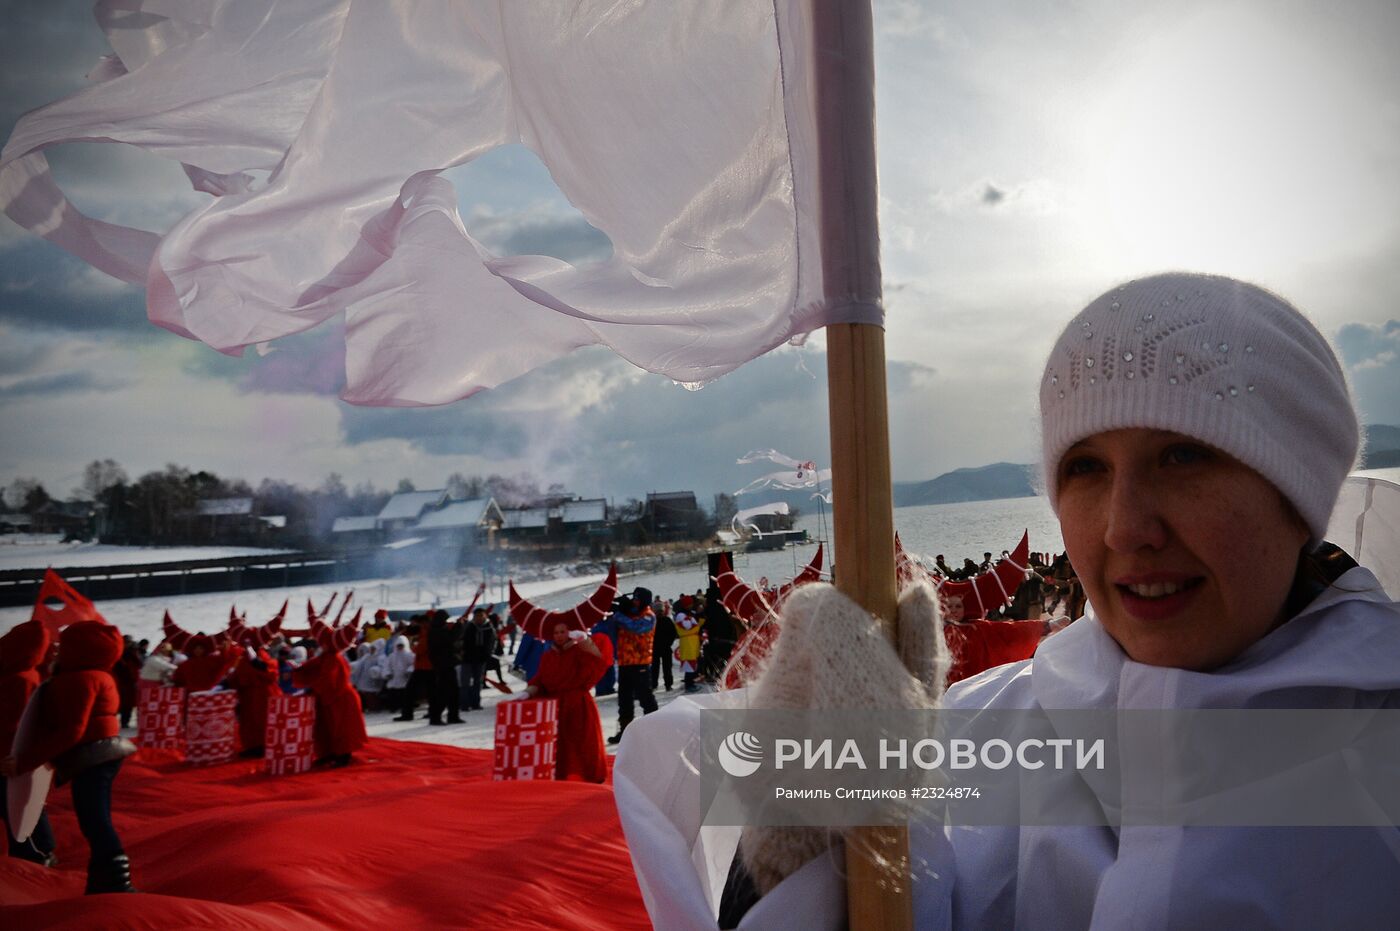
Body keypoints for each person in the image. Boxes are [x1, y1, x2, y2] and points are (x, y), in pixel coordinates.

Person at [617, 272, 1400, 929]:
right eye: (1086, 467)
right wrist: (797, 844)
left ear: (1299, 495)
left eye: (1183, 453)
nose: (1126, 527)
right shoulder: (978, 733)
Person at [2, 621, 138, 894]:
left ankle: (115, 882)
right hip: (96, 755)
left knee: (95, 818)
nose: (57, 649)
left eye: (65, 645)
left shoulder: (81, 679)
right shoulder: (91, 676)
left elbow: (71, 730)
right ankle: (106, 879)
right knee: (92, 817)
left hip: (92, 756)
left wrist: (26, 760)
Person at [517, 621, 612, 783]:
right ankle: (560, 775)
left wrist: (585, 642)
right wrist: (529, 691)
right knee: (559, 745)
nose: (559, 636)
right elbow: (541, 679)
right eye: (556, 633)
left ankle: (591, 776)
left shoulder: (580, 652)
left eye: (562, 632)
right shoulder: (548, 657)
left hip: (579, 705)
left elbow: (596, 665)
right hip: (555, 707)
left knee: (583, 743)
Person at [0, 620, 56, 866]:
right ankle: (40, 850)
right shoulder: (27, 674)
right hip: (17, 755)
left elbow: (12, 722)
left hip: (10, 755)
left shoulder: (19, 679)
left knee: (15, 805)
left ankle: (33, 854)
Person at [292, 639, 367, 767]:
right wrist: (297, 669)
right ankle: (329, 753)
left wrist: (312, 687)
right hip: (329, 697)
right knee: (327, 726)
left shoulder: (333, 658)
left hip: (341, 698)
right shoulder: (325, 656)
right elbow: (312, 667)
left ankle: (344, 755)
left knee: (342, 728)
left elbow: (328, 679)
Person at [610, 588, 659, 744]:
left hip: (640, 663)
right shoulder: (630, 613)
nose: (634, 602)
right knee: (624, 701)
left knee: (646, 698)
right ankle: (625, 731)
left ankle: (656, 729)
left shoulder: (649, 617)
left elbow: (635, 628)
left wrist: (619, 613)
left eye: (637, 599)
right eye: (634, 599)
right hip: (625, 663)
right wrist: (619, 607)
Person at [227, 644, 279, 757]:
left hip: (263, 695)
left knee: (262, 719)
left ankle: (263, 746)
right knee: (249, 721)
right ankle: (253, 747)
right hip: (248, 697)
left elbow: (272, 674)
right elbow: (235, 678)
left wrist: (258, 663)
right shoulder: (242, 660)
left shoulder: (263, 658)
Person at [460, 607, 496, 712]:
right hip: (467, 659)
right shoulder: (468, 627)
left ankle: (475, 703)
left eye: (481, 616)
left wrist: (487, 655)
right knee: (465, 682)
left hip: (480, 660)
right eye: (477, 616)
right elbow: (462, 640)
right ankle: (464, 704)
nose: (479, 618)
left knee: (478, 682)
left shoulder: (489, 628)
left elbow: (492, 643)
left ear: (485, 616)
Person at [672, 596, 704, 693]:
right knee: (689, 663)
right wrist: (694, 620)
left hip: (692, 641)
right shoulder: (680, 615)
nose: (691, 605)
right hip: (687, 641)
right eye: (689, 604)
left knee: (693, 661)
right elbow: (687, 626)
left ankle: (691, 681)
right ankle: (689, 684)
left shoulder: (689, 614)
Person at [651, 597, 676, 691]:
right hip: (655, 648)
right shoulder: (652, 621)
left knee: (667, 667)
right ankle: (653, 684)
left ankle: (668, 685)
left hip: (665, 647)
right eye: (658, 611)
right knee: (654, 668)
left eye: (661, 611)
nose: (660, 613)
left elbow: (673, 633)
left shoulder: (667, 620)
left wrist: (669, 643)